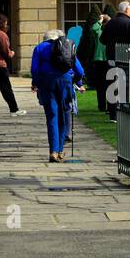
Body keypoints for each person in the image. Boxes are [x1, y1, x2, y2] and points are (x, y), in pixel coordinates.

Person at [30, 29, 85, 163]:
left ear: (46, 39)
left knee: (52, 117)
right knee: (63, 116)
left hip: (47, 84)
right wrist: (75, 81)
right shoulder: (66, 46)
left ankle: (53, 151)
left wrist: (36, 83)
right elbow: (80, 70)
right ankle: (60, 150)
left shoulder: (39, 48)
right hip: (65, 83)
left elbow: (35, 70)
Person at [101, 1, 130, 121]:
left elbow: (102, 39)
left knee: (112, 86)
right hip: (126, 60)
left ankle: (113, 114)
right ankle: (124, 110)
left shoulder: (110, 23)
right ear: (127, 10)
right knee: (125, 86)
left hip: (112, 59)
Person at [80, 7, 108, 112]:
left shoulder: (109, 31)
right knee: (101, 85)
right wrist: (100, 20)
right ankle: (102, 106)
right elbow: (94, 28)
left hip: (107, 59)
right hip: (99, 60)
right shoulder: (99, 31)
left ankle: (109, 107)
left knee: (108, 84)